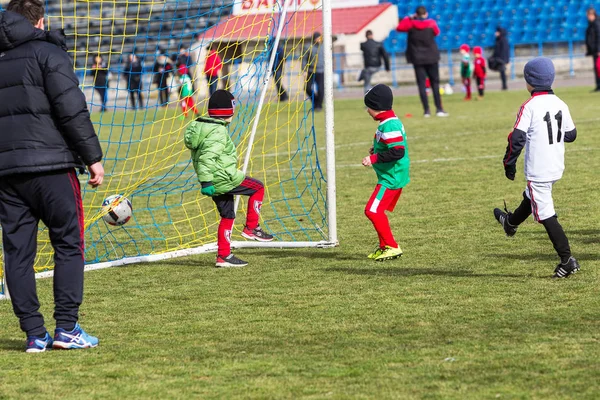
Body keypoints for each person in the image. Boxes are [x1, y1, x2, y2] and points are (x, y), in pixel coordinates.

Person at [0, 0, 105, 352]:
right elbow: (71, 108)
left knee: (17, 254)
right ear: (40, 21)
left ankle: (34, 334)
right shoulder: (48, 51)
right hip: (52, 167)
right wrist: (93, 158)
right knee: (68, 243)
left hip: (7, 174)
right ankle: (67, 328)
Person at [493, 57, 580, 279]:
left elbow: (517, 138)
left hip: (539, 168)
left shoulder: (529, 106)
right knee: (531, 196)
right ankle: (510, 223)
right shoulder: (561, 103)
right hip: (556, 165)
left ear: (528, 81)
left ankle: (567, 259)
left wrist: (508, 163)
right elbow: (571, 135)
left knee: (546, 213)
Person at [184, 90, 274, 268]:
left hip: (216, 180)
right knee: (258, 188)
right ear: (228, 111)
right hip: (224, 179)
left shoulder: (201, 126)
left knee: (227, 215)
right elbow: (206, 158)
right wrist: (206, 182)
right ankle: (251, 228)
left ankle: (223, 256)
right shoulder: (217, 132)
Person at [361, 84, 409, 262]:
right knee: (377, 209)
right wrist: (377, 148)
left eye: (368, 107)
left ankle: (391, 246)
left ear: (376, 107)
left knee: (372, 210)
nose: (367, 110)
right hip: (390, 175)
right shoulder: (388, 121)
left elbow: (398, 151)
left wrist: (373, 158)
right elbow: (390, 145)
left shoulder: (389, 125)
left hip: (392, 177)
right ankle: (384, 247)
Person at [397, 6, 448, 118]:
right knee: (435, 84)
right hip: (432, 57)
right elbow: (437, 32)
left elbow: (399, 27)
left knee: (421, 85)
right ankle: (439, 109)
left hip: (417, 58)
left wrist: (409, 18)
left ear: (416, 14)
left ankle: (426, 111)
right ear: (425, 14)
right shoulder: (431, 23)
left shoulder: (411, 24)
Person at [302, 32, 324, 111]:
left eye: (320, 38)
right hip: (311, 71)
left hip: (321, 71)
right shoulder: (308, 47)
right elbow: (304, 59)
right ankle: (315, 102)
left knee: (321, 89)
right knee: (307, 88)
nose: (319, 39)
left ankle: (319, 106)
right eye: (317, 38)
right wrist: (304, 70)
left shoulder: (324, 47)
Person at [585, 8, 600, 92]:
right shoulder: (591, 24)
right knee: (597, 68)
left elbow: (599, 37)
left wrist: (599, 50)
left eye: (588, 15)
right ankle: (598, 85)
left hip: (597, 51)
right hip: (594, 50)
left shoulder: (597, 23)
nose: (588, 17)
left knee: (598, 68)